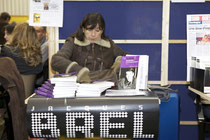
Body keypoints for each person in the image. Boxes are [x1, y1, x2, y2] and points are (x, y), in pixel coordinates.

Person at [51, 12, 127, 83]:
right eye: (89, 30)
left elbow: (130, 58)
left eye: (97, 30)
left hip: (104, 90)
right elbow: (56, 60)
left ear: (102, 31)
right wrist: (79, 71)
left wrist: (121, 62)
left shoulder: (109, 45)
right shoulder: (73, 42)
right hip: (79, 89)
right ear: (83, 29)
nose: (93, 34)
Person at [0, 22, 42, 97]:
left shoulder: (6, 51)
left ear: (15, 34)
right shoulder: (37, 54)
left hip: (10, 98)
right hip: (28, 98)